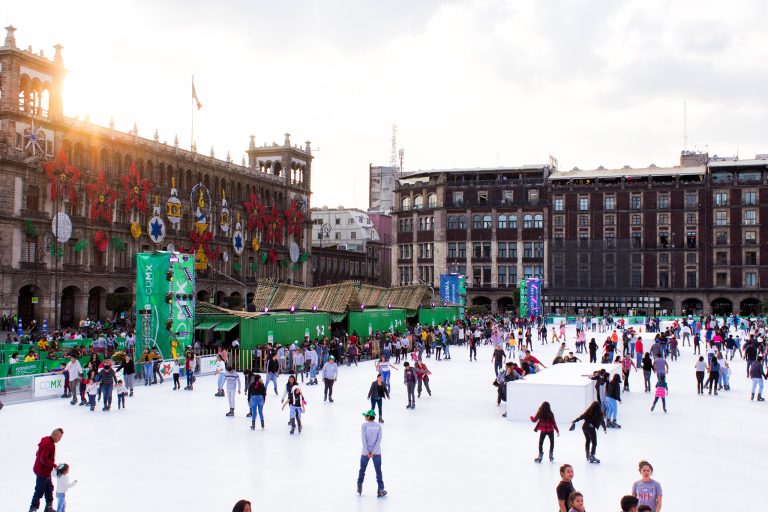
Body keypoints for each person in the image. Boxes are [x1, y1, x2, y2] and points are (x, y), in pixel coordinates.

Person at [29, 428, 64, 512]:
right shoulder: (48, 444)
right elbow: (43, 459)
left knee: (49, 488)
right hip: (42, 472)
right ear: (54, 435)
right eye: (59, 437)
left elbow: (38, 453)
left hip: (45, 471)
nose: (60, 439)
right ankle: (33, 509)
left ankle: (48, 508)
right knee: (39, 490)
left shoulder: (46, 440)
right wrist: (54, 466)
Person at [357, 409, 387, 497]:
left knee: (362, 469)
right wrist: (373, 451)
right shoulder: (378, 426)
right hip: (376, 452)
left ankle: (359, 485)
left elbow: (363, 439)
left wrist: (367, 451)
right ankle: (380, 489)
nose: (365, 417)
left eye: (366, 415)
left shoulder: (364, 426)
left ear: (369, 416)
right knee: (378, 471)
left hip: (365, 452)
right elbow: (379, 440)